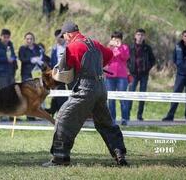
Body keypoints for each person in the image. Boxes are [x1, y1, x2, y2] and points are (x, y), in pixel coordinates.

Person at [43, 21, 127, 167]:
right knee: (106, 123)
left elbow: (63, 70)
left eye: (65, 36)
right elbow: (109, 55)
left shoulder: (72, 46)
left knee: (63, 119)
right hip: (101, 88)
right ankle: (119, 154)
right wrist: (94, 67)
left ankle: (60, 159)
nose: (65, 39)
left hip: (85, 89)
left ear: (68, 34)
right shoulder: (94, 43)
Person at [162, 30, 186, 122]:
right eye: (185, 36)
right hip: (180, 75)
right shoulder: (177, 46)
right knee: (175, 95)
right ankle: (170, 115)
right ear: (182, 37)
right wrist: (179, 66)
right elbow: (174, 58)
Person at [127, 28, 155, 121]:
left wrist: (147, 68)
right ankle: (127, 114)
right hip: (133, 74)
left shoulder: (147, 48)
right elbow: (126, 59)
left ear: (144, 37)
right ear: (135, 36)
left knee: (142, 95)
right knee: (130, 94)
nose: (140, 36)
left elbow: (153, 60)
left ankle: (139, 115)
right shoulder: (130, 47)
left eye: (142, 35)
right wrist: (129, 68)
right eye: (138, 34)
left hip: (144, 75)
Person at [0, 29, 18, 122]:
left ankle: (12, 115)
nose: (6, 39)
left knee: (12, 94)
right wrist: (6, 60)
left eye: (8, 37)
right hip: (2, 73)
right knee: (3, 94)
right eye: (5, 37)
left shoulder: (10, 44)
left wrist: (13, 58)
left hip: (11, 73)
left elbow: (14, 55)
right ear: (1, 36)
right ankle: (3, 115)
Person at [105, 31, 130, 125]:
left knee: (123, 98)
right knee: (111, 99)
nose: (115, 40)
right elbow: (106, 59)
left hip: (122, 76)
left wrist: (119, 47)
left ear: (121, 40)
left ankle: (125, 118)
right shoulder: (108, 48)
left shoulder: (125, 47)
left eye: (117, 39)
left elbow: (125, 58)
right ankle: (112, 119)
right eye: (113, 39)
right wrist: (110, 47)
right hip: (110, 76)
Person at [19, 32, 44, 121]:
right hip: (26, 74)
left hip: (36, 74)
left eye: (31, 39)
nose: (29, 40)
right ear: (25, 40)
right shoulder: (22, 49)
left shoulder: (38, 48)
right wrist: (30, 60)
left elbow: (42, 57)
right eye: (27, 39)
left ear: (34, 39)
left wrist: (40, 61)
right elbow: (22, 58)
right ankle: (29, 115)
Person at [46, 29, 68, 118]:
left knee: (70, 93)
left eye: (62, 37)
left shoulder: (69, 47)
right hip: (57, 74)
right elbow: (52, 62)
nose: (60, 39)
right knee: (59, 94)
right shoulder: (54, 49)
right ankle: (60, 113)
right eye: (58, 37)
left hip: (68, 73)